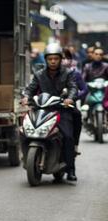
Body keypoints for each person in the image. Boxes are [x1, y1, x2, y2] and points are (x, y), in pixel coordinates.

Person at [21, 43, 78, 182]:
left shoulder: (68, 73)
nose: (53, 61)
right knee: (24, 131)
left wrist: (70, 98)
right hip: (42, 108)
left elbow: (73, 87)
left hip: (61, 109)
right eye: (50, 59)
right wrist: (26, 97)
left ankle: (70, 168)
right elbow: (30, 88)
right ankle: (25, 156)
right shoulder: (39, 74)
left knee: (68, 136)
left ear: (60, 59)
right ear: (46, 60)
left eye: (56, 59)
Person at [63, 47, 88, 155]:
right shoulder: (46, 73)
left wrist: (73, 97)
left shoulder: (75, 73)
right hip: (50, 105)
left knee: (77, 116)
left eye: (67, 58)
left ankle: (75, 146)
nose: (64, 60)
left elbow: (84, 89)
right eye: (62, 58)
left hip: (68, 105)